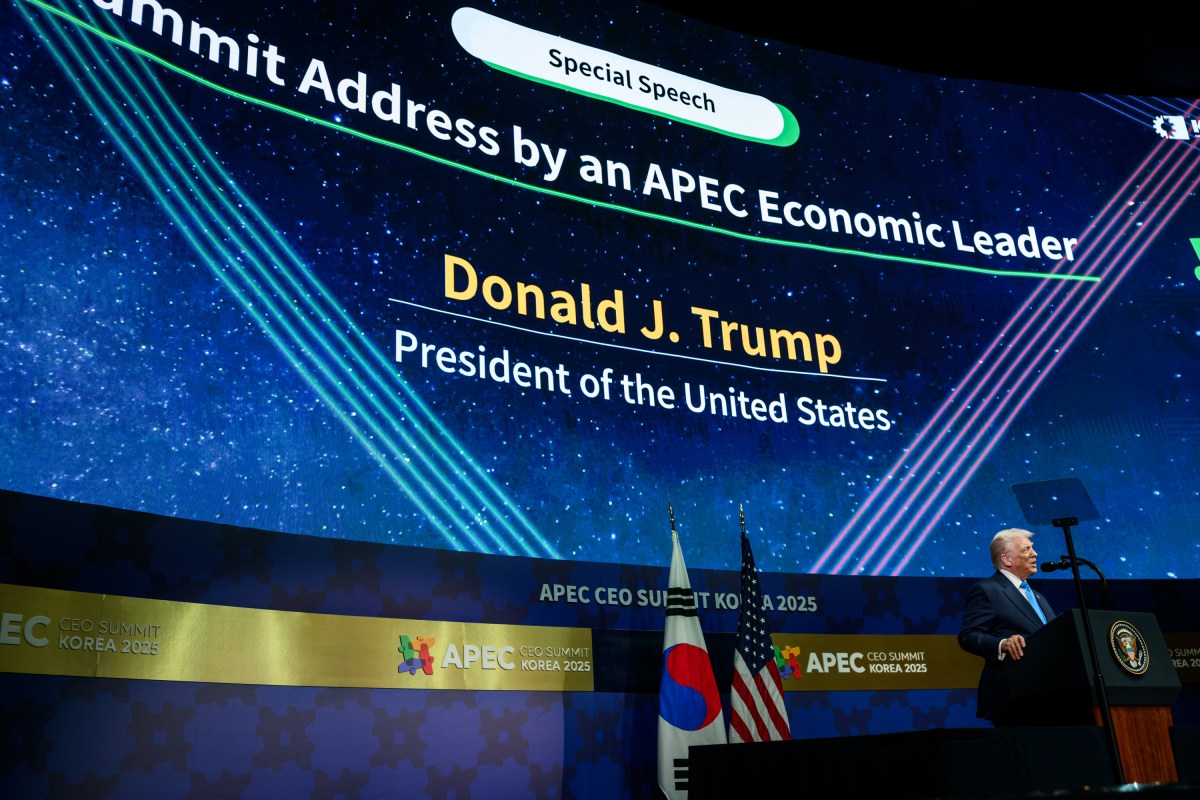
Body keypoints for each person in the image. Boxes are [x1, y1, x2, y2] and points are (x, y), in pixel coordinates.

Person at [958, 528, 1056, 725]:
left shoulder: (1038, 596)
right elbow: (968, 636)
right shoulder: (987, 590)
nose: (1035, 554)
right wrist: (1002, 644)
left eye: (1033, 548)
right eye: (1026, 549)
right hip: (1014, 694)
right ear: (1007, 559)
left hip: (1049, 692)